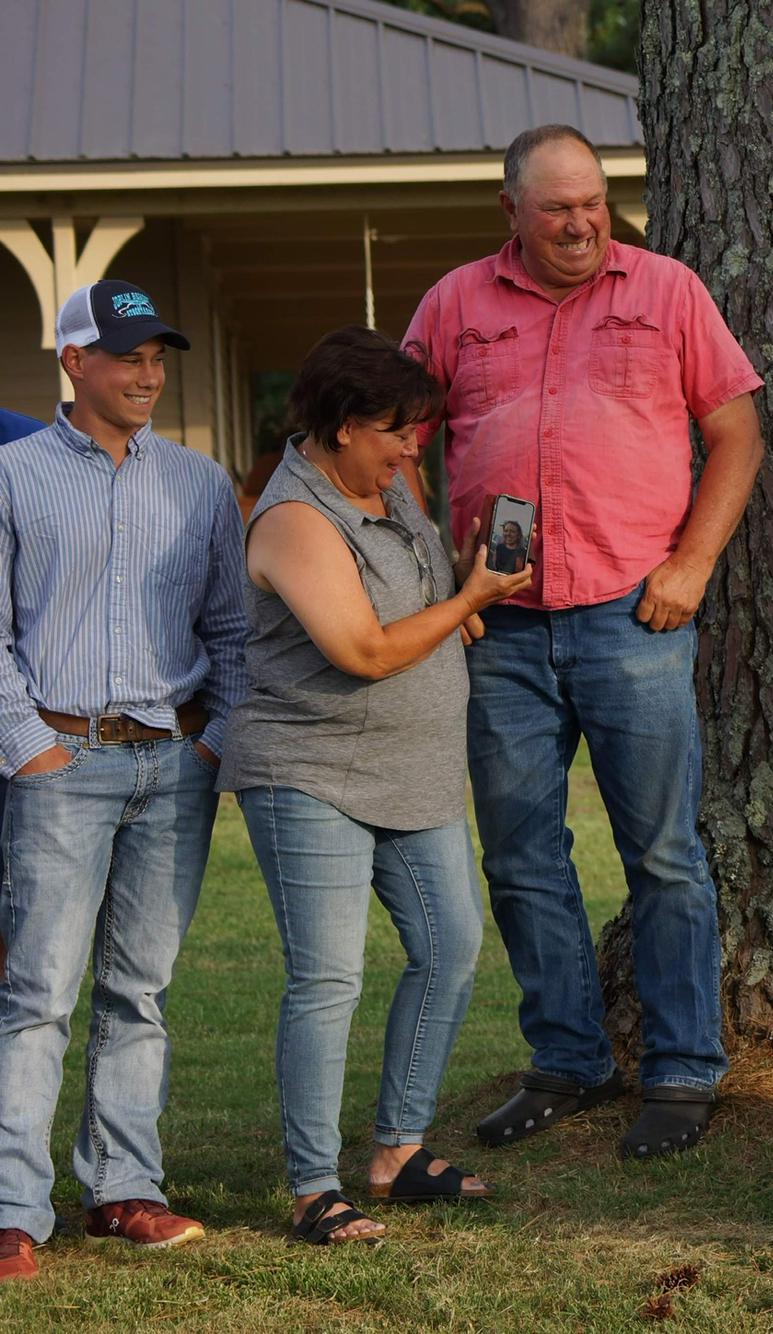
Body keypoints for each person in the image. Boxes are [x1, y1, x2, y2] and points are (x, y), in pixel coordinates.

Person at [403, 124, 765, 1159]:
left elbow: (735, 430)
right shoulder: (455, 305)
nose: (579, 222)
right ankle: (565, 1058)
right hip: (502, 629)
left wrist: (691, 563)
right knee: (520, 853)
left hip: (632, 617)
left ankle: (684, 1069)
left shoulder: (665, 290)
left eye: (593, 202)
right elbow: (389, 441)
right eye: (557, 206)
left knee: (663, 854)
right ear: (510, 210)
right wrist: (441, 580)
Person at [217, 327, 534, 1246]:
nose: (413, 448)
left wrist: (460, 592)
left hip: (413, 771)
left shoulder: (390, 491)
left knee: (451, 946)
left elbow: (412, 608)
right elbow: (358, 650)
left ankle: (397, 1151)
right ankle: (314, 1187)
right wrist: (467, 605)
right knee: (327, 978)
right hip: (310, 769)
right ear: (346, 426)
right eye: (398, 432)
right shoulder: (293, 520)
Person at [0, 281, 248, 1282]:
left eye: (159, 356)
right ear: (74, 361)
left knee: (139, 990)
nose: (149, 372)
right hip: (59, 763)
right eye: (128, 354)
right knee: (37, 992)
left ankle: (123, 1187)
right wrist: (33, 746)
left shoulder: (197, 483)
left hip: (172, 763)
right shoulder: (12, 476)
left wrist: (212, 742)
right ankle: (14, 1206)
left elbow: (230, 632)